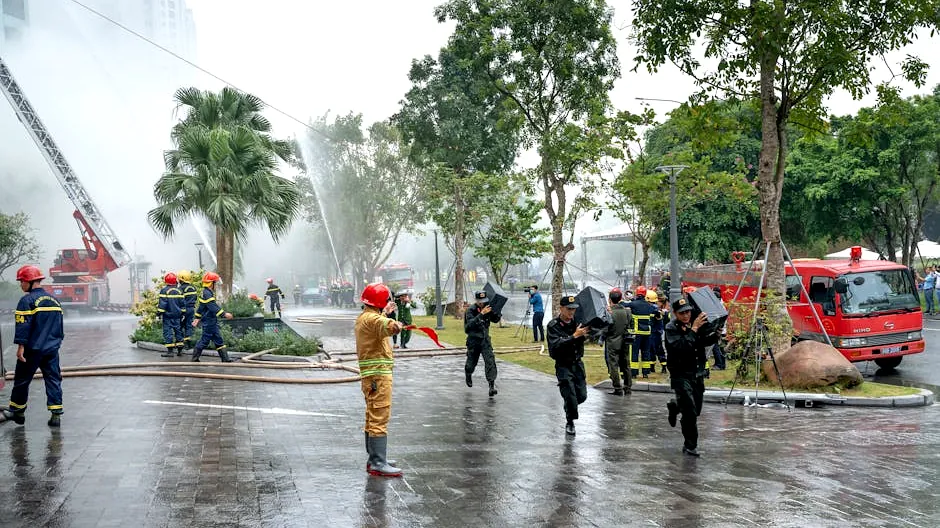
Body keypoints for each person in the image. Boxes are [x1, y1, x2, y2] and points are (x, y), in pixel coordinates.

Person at [1, 265, 65, 427]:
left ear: (29, 281)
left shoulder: (26, 301)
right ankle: (56, 415)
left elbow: (23, 326)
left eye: (21, 281)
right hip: (51, 349)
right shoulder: (54, 300)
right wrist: (56, 344)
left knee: (22, 380)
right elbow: (60, 326)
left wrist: (20, 348)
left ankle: (17, 412)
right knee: (53, 379)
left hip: (32, 349)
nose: (20, 285)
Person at [356, 282, 404, 477]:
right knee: (379, 415)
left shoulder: (365, 317)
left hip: (371, 377)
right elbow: (387, 326)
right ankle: (378, 462)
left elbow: (377, 322)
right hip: (379, 376)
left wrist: (384, 312)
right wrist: (396, 323)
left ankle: (375, 457)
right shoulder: (373, 320)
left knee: (371, 415)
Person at [664, 297, 719, 457]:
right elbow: (681, 347)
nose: (686, 315)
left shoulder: (695, 324)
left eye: (688, 311)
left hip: (696, 373)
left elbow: (703, 342)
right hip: (680, 374)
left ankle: (675, 406)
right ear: (675, 314)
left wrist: (715, 333)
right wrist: (694, 330)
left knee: (696, 410)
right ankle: (690, 445)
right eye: (682, 313)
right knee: (689, 412)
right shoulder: (671, 328)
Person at [547, 295, 590, 435]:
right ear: (561, 309)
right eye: (569, 309)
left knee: (582, 396)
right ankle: (570, 421)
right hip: (563, 365)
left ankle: (569, 406)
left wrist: (587, 333)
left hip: (577, 364)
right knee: (570, 396)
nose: (571, 312)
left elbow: (593, 333)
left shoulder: (578, 322)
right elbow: (555, 347)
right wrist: (574, 336)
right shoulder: (553, 326)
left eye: (574, 309)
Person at [465, 291, 501, 397]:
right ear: (476, 301)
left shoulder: (487, 307)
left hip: (485, 340)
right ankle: (468, 373)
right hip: (474, 340)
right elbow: (469, 325)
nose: (482, 304)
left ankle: (491, 386)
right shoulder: (470, 310)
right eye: (480, 302)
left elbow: (495, 319)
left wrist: (496, 311)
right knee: (471, 363)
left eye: (483, 301)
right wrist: (481, 314)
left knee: (490, 361)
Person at [192, 272, 234, 363]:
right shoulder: (207, 293)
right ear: (211, 283)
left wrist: (197, 317)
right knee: (204, 340)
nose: (216, 285)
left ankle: (225, 359)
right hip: (209, 321)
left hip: (211, 321)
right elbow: (212, 306)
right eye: (215, 283)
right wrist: (224, 314)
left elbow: (201, 307)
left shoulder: (207, 292)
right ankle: (194, 358)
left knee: (218, 339)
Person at [604, 288, 633, 396]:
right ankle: (628, 387)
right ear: (621, 298)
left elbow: (606, 328)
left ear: (610, 299)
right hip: (625, 342)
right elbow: (630, 325)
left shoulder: (610, 313)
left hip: (612, 342)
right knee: (626, 365)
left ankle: (617, 388)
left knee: (613, 366)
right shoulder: (627, 311)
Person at [627, 286, 656, 378]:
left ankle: (634, 373)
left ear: (637, 293)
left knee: (634, 353)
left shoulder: (633, 304)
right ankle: (646, 372)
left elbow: (623, 305)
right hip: (647, 333)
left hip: (636, 333)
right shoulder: (650, 306)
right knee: (646, 352)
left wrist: (631, 299)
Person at [158, 272, 185, 358]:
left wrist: (159, 313)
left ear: (166, 281)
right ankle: (180, 351)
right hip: (177, 316)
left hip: (168, 316)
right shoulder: (179, 291)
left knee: (168, 332)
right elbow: (182, 303)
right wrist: (183, 313)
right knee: (178, 331)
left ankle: (170, 352)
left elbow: (163, 304)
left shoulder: (164, 290)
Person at [647, 289, 667, 373]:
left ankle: (659, 367)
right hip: (655, 332)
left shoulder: (653, 309)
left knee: (655, 350)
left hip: (654, 332)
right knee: (656, 350)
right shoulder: (655, 308)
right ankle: (658, 367)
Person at [178, 270, 198, 349]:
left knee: (179, 326)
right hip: (191, 310)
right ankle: (188, 343)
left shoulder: (180, 288)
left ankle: (180, 343)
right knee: (189, 326)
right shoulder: (193, 287)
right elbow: (195, 298)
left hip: (183, 310)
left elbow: (179, 300)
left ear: (181, 279)